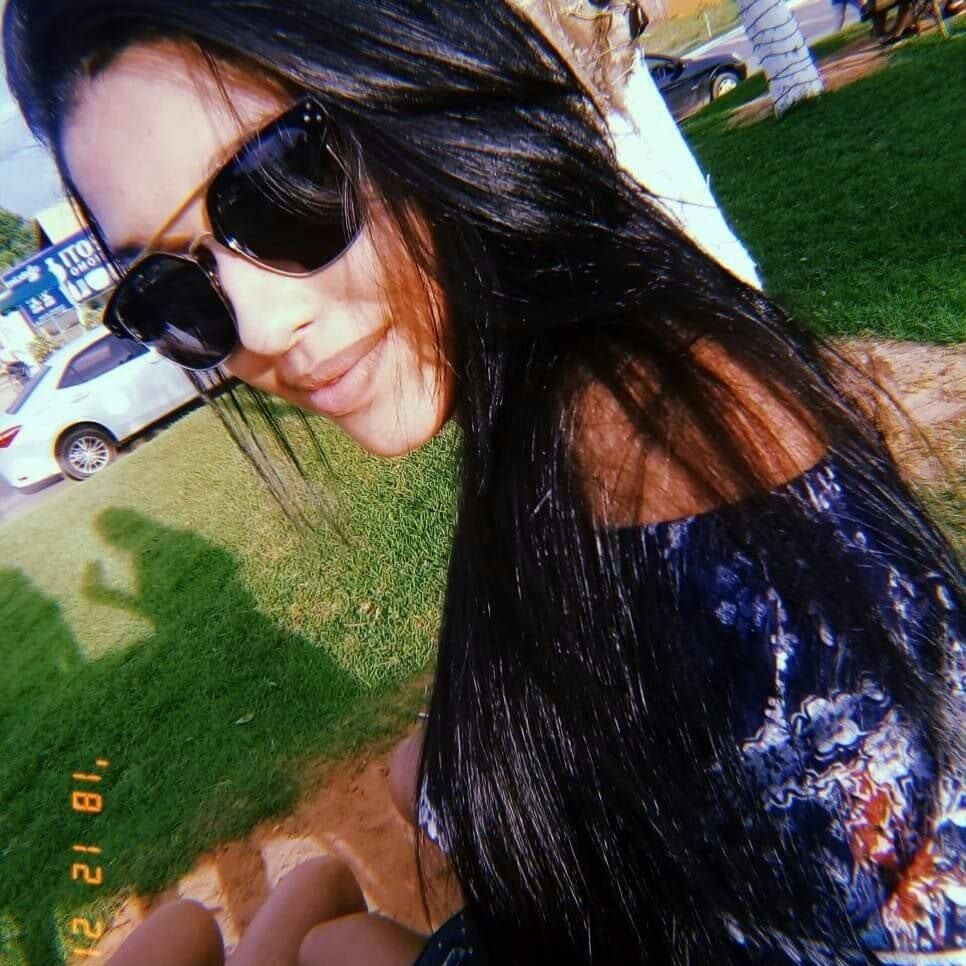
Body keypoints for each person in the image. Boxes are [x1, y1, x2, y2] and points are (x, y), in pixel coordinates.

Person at [4, 1, 962, 963]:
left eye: (281, 187)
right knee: (346, 861)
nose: (257, 328)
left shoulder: (637, 435)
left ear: (423, 76)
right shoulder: (571, 383)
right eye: (171, 289)